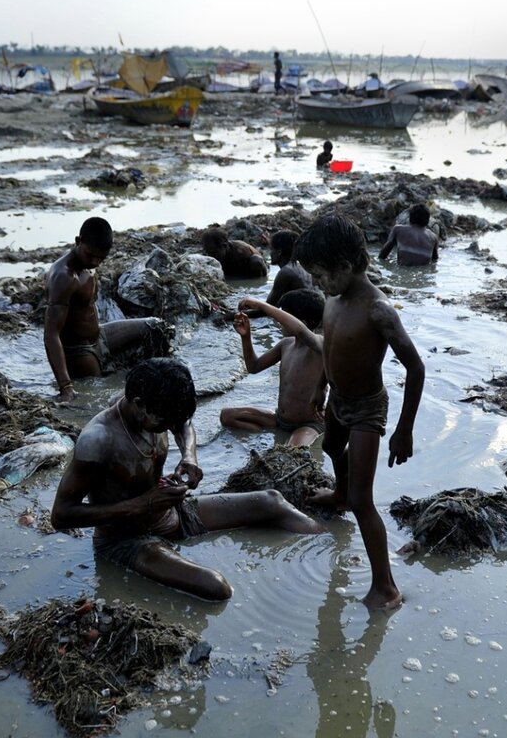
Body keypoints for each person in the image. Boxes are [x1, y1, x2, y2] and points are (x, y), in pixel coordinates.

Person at [51, 358, 324, 601]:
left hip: (171, 511)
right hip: (126, 539)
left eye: (174, 420)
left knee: (271, 501)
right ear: (139, 407)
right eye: (164, 422)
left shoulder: (151, 402)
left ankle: (327, 551)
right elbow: (61, 515)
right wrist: (142, 504)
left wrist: (189, 456)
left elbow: (183, 422)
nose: (171, 426)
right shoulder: (97, 441)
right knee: (216, 586)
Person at [294, 214, 426, 610]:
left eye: (319, 275)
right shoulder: (333, 299)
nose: (316, 284)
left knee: (363, 500)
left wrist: (405, 430)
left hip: (368, 408)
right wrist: (321, 386)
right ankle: (338, 493)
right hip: (337, 398)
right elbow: (329, 345)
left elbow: (415, 367)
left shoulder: (378, 310)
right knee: (334, 448)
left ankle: (386, 587)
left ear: (345, 267)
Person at [44, 216, 169, 402]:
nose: (95, 262)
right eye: (90, 255)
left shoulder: (88, 264)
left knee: (155, 327)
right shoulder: (64, 277)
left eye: (101, 258)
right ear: (78, 242)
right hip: (80, 351)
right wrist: (66, 386)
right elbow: (50, 334)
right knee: (98, 396)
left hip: (100, 336)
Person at [220, 290, 328, 448]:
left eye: (284, 317)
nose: (278, 323)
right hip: (280, 419)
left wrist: (262, 306)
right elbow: (253, 367)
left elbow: (300, 330)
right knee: (227, 416)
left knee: (292, 452)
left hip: (308, 425)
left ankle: (285, 441)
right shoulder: (286, 345)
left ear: (304, 321)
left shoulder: (319, 344)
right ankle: (268, 438)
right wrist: (246, 337)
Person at [202, 226, 268, 279]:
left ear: (224, 246)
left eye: (214, 252)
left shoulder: (242, 252)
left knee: (256, 261)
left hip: (253, 270)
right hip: (232, 274)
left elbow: (259, 263)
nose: (210, 256)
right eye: (208, 252)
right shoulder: (211, 254)